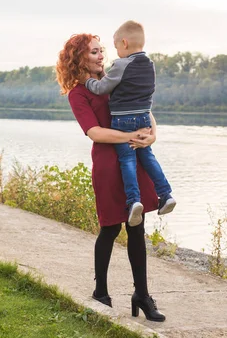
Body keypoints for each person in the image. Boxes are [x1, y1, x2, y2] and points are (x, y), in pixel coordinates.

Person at [56, 33, 166, 322]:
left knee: (137, 228)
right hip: (108, 162)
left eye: (101, 50)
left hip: (134, 156)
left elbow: (145, 109)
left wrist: (151, 135)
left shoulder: (119, 75)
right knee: (109, 228)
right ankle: (101, 293)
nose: (101, 56)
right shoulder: (79, 93)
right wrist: (131, 135)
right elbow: (95, 132)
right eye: (93, 52)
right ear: (79, 58)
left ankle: (142, 296)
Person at [85, 21, 176, 227]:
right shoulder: (150, 65)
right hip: (144, 118)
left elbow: (102, 88)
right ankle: (166, 193)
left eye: (116, 47)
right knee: (147, 157)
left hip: (123, 120)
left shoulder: (121, 65)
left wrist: (88, 81)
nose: (115, 52)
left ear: (124, 43)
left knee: (127, 160)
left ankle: (134, 201)